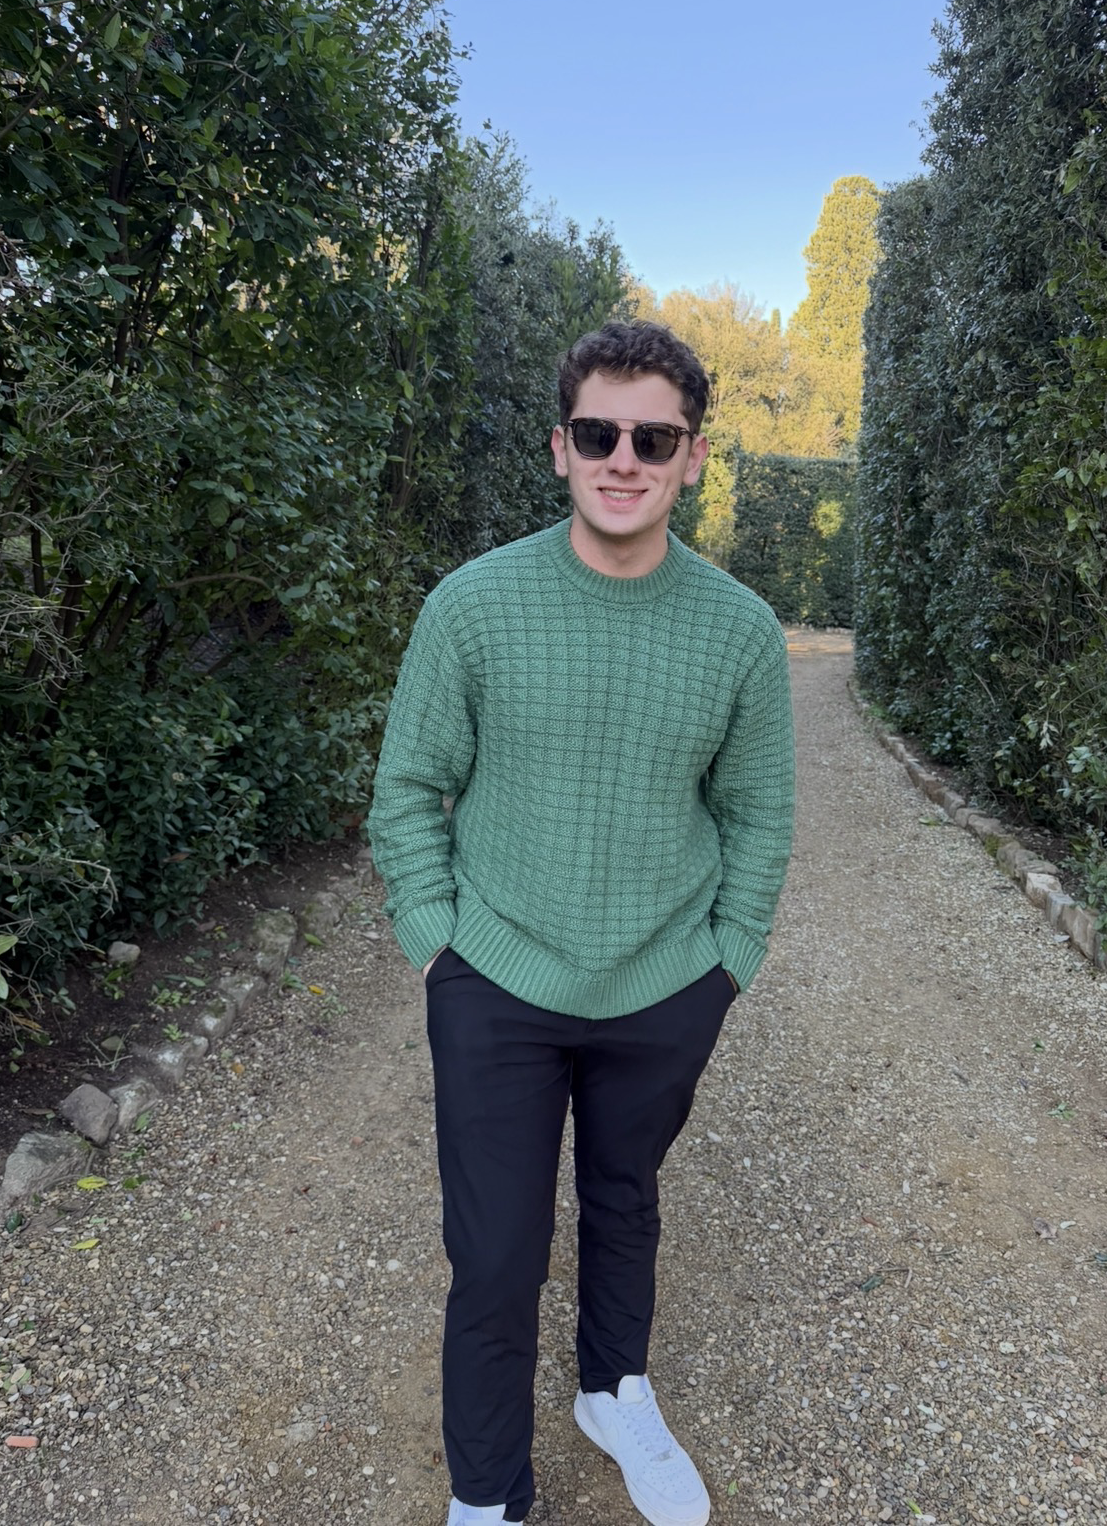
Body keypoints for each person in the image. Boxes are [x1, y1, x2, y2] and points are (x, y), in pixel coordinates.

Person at [367, 320, 794, 1526]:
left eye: (651, 437)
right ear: (559, 448)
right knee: (494, 1254)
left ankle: (612, 1390)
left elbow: (757, 812)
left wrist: (727, 959)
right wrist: (436, 939)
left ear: (691, 457)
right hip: (495, 976)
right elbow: (407, 787)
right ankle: (487, 1494)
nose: (623, 458)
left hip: (664, 982)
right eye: (598, 433)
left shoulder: (739, 633)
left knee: (623, 1199)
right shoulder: (473, 606)